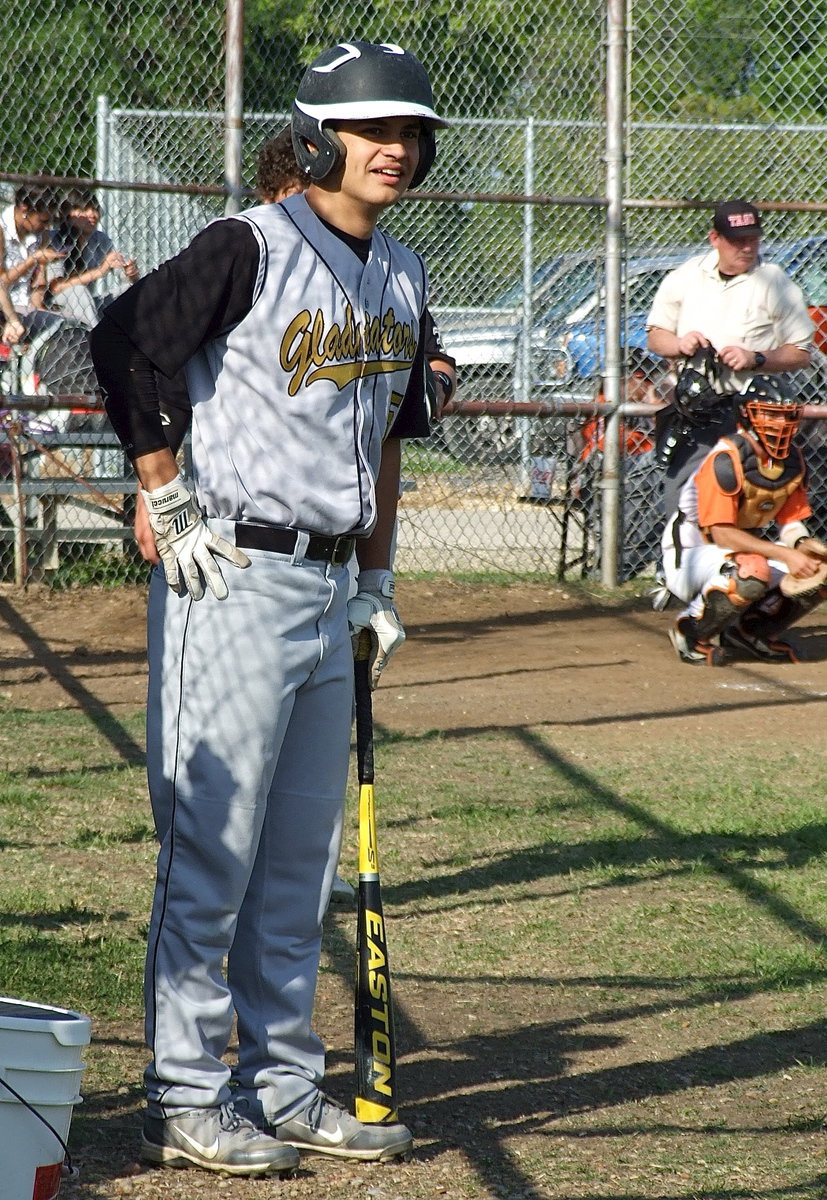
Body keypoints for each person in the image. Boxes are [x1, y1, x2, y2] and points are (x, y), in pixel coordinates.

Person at [90, 39, 446, 1177]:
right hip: (229, 574)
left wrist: (379, 578)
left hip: (333, 581)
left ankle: (282, 1085)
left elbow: (389, 440)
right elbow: (123, 340)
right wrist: (164, 492)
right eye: (371, 128)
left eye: (410, 131)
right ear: (314, 138)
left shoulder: (401, 271)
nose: (394, 148)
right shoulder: (248, 245)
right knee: (212, 853)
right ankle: (185, 1094)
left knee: (299, 862)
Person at [646, 199, 814, 519]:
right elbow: (656, 336)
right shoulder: (686, 276)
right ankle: (680, 564)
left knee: (746, 501)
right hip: (695, 411)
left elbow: (801, 353)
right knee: (684, 500)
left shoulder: (774, 281)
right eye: (739, 240)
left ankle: (740, 566)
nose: (748, 248)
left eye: (753, 239)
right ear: (715, 239)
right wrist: (681, 343)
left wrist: (756, 357)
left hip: (753, 413)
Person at [662, 374, 827, 665]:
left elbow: (789, 522)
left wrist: (800, 544)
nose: (780, 424)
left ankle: (750, 632)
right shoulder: (727, 458)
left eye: (785, 416)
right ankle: (690, 629)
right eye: (769, 415)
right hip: (690, 553)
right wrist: (784, 554)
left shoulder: (792, 461)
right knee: (752, 568)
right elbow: (721, 534)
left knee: (820, 572)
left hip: (738, 553)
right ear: (747, 415)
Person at [47, 188, 139, 328]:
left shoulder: (100, 239)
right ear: (67, 214)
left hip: (87, 304)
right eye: (83, 209)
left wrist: (131, 274)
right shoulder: (55, 239)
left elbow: (124, 275)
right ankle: (95, 341)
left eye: (94, 209)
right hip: (56, 305)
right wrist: (100, 271)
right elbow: (56, 288)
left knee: (129, 290)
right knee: (78, 291)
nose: (92, 214)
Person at [0, 183, 65, 331]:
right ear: (24, 209)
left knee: (67, 324)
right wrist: (33, 260)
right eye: (43, 221)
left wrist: (41, 266)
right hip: (6, 305)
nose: (46, 227)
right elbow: (2, 282)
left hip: (27, 305)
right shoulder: (2, 230)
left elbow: (38, 285)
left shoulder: (40, 235)